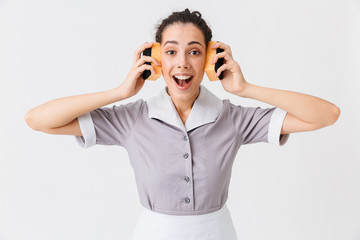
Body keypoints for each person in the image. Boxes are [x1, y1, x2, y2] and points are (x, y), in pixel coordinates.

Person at [25, 8, 340, 240]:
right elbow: (37, 120)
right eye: (171, 51)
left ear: (209, 61)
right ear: (157, 61)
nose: (183, 63)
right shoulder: (131, 119)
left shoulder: (234, 118)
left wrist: (245, 89)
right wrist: (118, 92)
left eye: (195, 52)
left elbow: (327, 115)